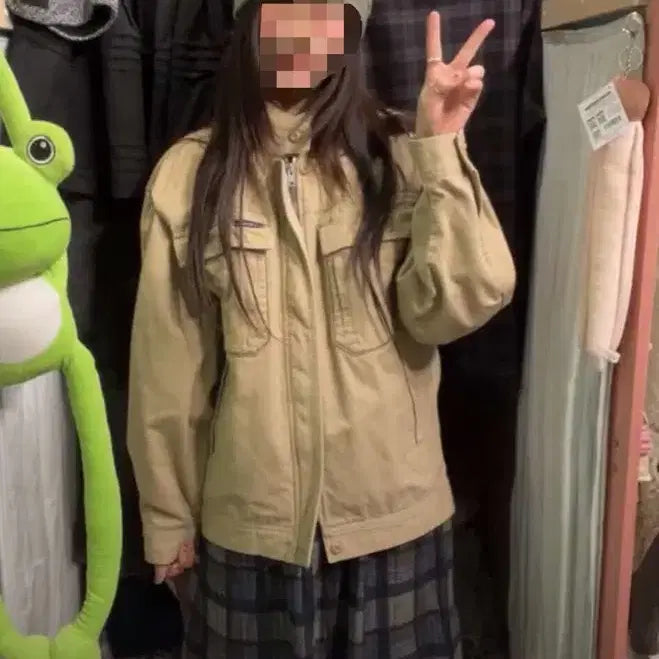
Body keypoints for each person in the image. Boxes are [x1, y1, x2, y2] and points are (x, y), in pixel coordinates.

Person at [126, 0, 515, 656]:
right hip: (251, 532)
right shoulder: (188, 174)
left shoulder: (401, 151)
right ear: (250, 24)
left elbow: (460, 302)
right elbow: (167, 368)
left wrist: (440, 150)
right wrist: (168, 517)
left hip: (393, 522)